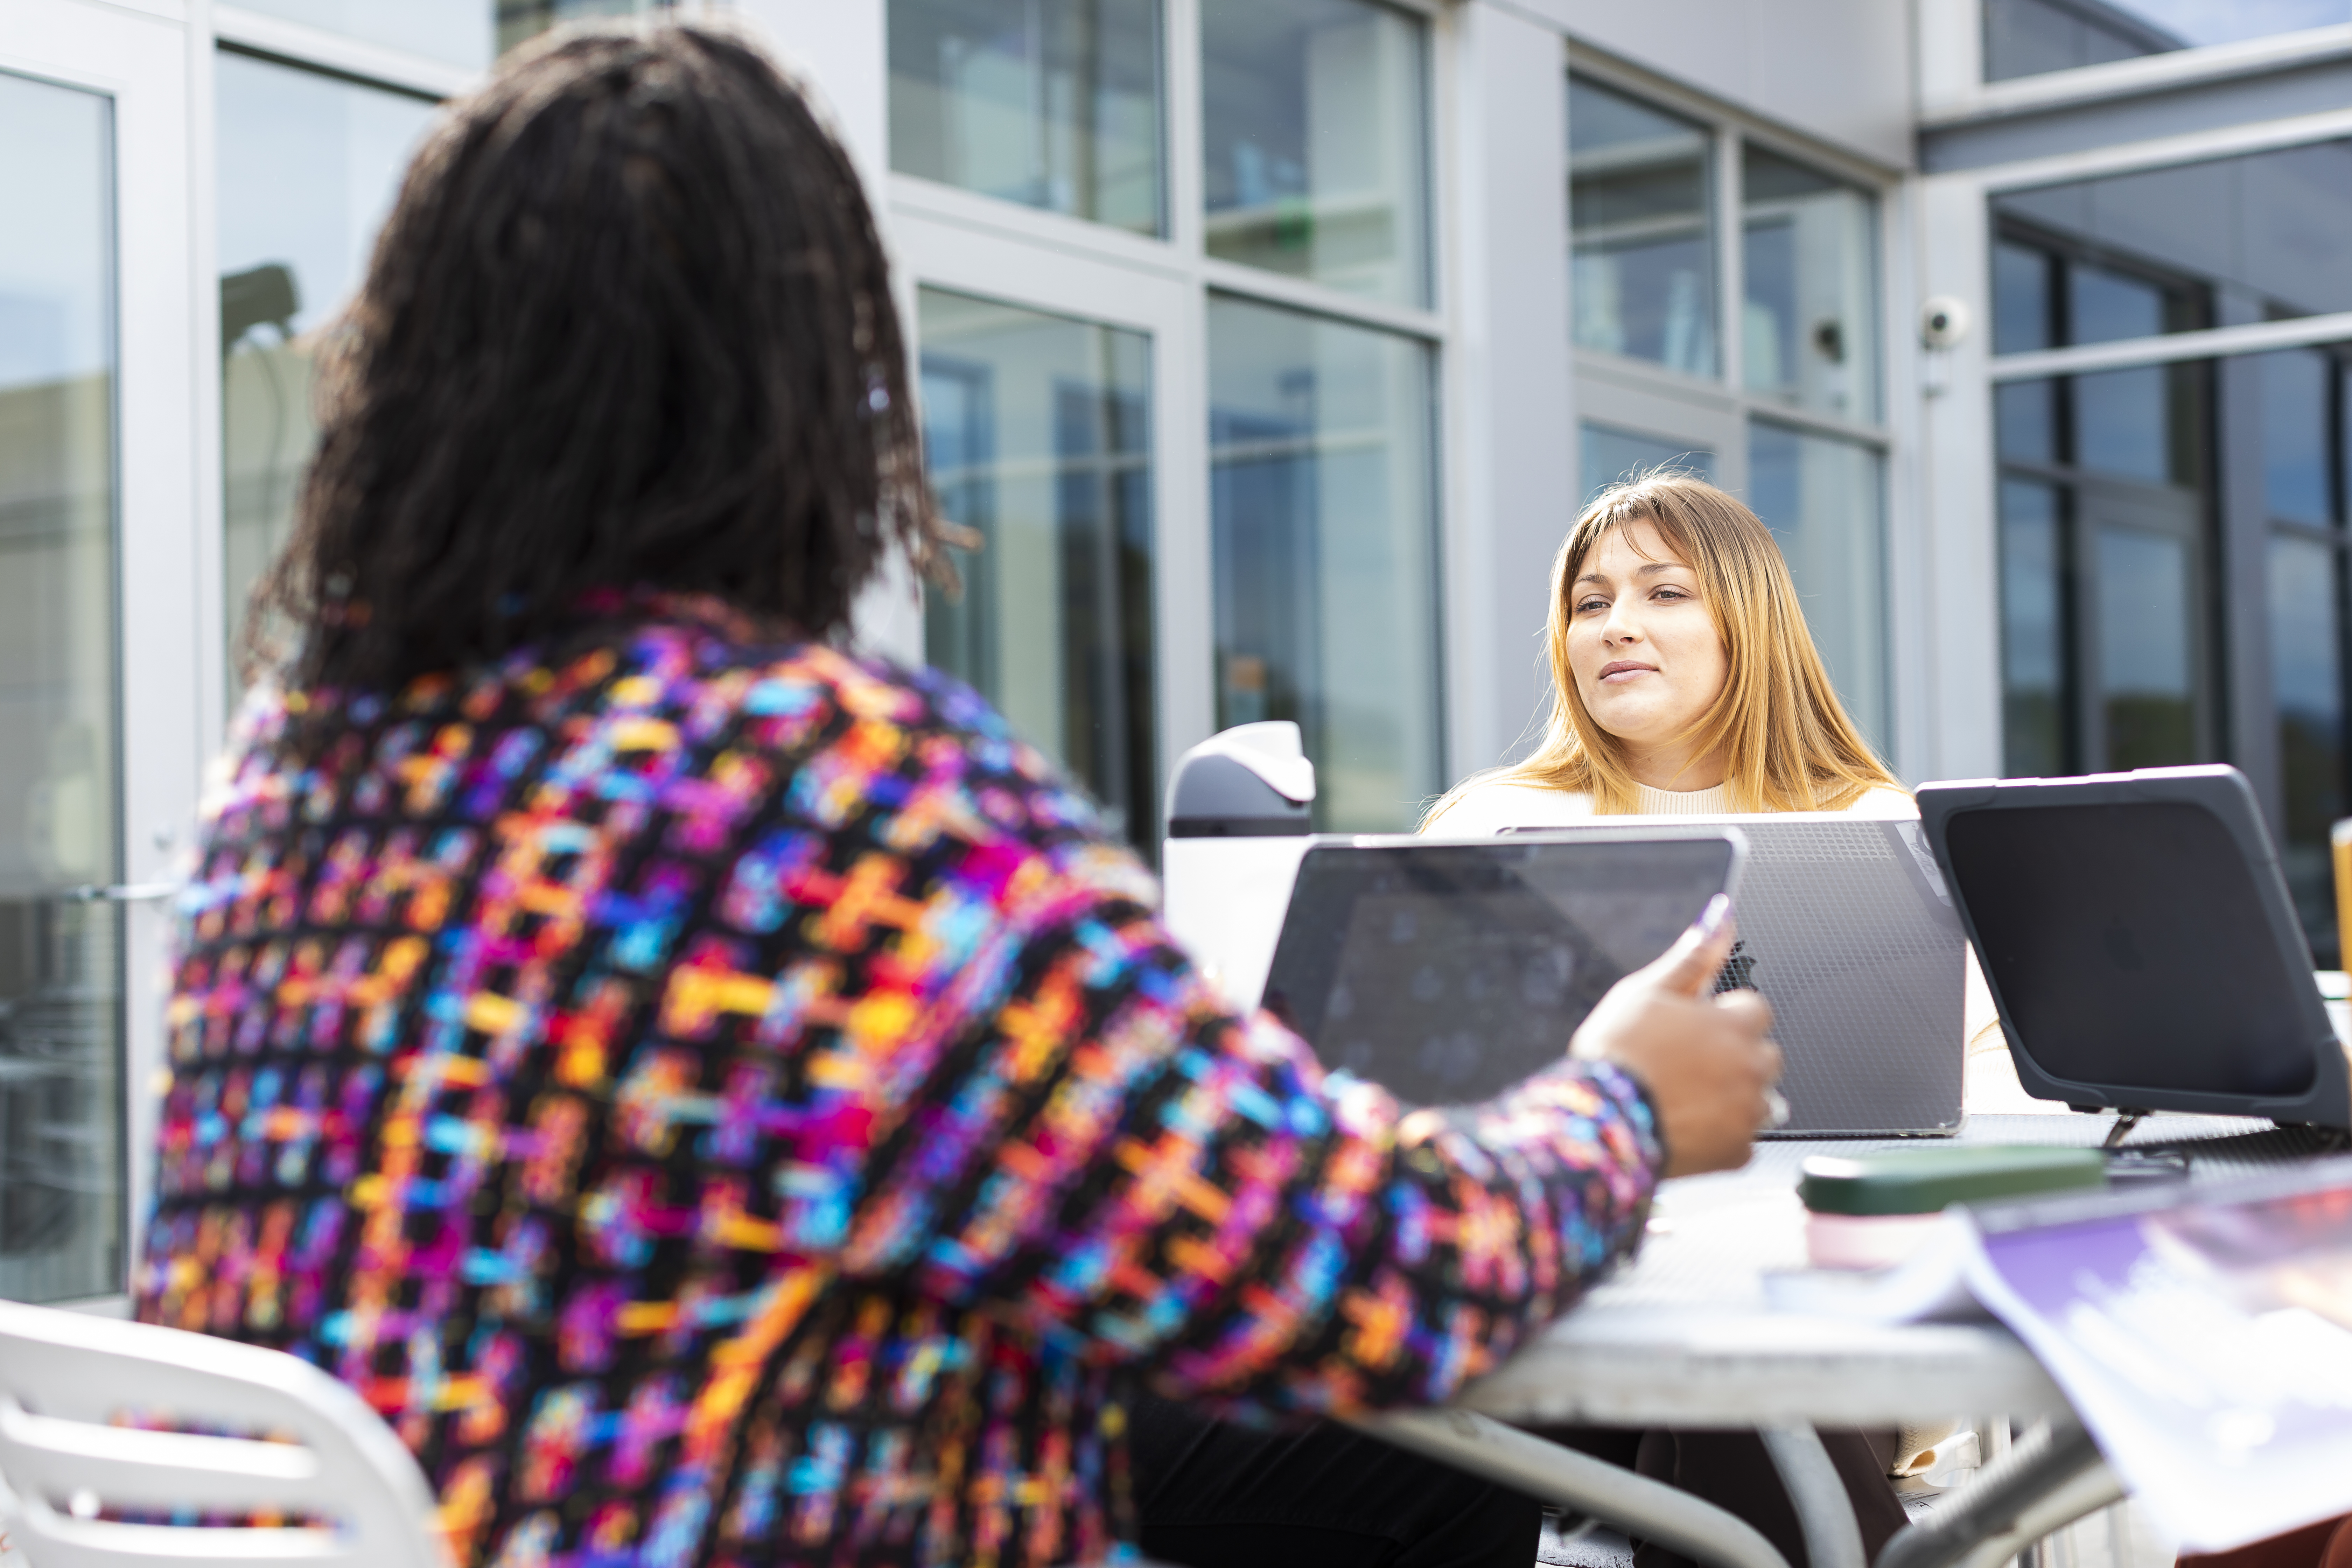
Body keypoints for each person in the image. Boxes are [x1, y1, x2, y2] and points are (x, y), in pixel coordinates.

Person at [132, 22, 1783, 1568]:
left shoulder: (287, 782)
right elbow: (1358, 1268)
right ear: (802, 384)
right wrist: (1625, 1102)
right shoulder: (818, 785)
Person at [1424, 471, 2004, 1568]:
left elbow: (1985, 1090)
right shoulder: (1493, 826)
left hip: (1810, 1304)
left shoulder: (1878, 833)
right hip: (1555, 1301)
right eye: (1589, 604)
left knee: (1747, 1375)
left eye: (1663, 593)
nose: (1618, 627)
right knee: (1741, 1388)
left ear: (1749, 619)